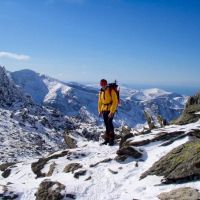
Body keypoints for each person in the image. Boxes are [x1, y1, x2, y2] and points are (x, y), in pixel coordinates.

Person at [98, 79, 118, 146]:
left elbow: (115, 101)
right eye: (101, 84)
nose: (103, 86)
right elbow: (100, 102)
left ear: (106, 84)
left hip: (110, 109)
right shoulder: (101, 92)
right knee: (106, 124)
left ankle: (111, 140)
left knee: (109, 123)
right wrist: (100, 111)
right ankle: (107, 140)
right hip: (104, 109)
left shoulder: (111, 90)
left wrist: (112, 112)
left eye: (104, 84)